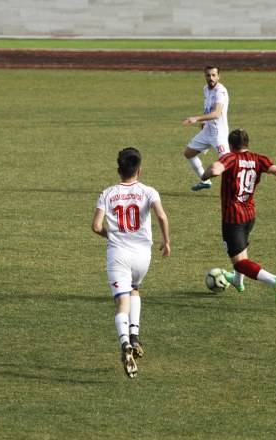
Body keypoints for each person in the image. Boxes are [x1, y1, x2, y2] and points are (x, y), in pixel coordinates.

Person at [201, 129, 276, 304]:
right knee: (241, 252)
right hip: (249, 215)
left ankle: (274, 281)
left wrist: (205, 174)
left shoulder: (230, 158)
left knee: (239, 262)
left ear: (231, 145)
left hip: (233, 218)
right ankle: (238, 282)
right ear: (247, 144)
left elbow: (216, 170)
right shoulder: (258, 159)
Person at [92, 147, 171, 378]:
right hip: (142, 256)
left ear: (119, 170)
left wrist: (111, 235)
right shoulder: (149, 191)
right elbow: (161, 216)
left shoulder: (107, 193)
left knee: (121, 303)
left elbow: (96, 226)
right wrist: (166, 242)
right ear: (139, 169)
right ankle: (135, 336)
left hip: (118, 254)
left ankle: (125, 343)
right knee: (135, 290)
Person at [182, 65, 230, 192]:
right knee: (188, 153)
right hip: (206, 131)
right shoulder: (206, 89)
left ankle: (235, 190)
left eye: (214, 75)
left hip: (218, 134)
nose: (211, 78)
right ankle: (205, 181)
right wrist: (203, 123)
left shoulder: (221, 91)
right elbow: (208, 108)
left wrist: (197, 118)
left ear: (219, 76)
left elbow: (216, 113)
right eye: (208, 75)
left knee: (228, 163)